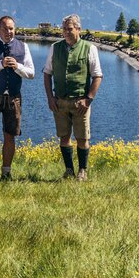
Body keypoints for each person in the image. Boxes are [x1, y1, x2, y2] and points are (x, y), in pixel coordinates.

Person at [43, 14, 102, 181]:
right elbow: (47, 73)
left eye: (70, 29)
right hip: (59, 101)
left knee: (82, 138)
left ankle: (82, 171)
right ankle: (69, 170)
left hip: (80, 102)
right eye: (64, 29)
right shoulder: (55, 48)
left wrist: (89, 99)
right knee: (64, 137)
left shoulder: (89, 48)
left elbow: (97, 76)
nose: (66, 32)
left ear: (78, 29)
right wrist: (50, 98)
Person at [0, 16, 35, 180]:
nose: (8, 32)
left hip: (13, 99)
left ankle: (6, 173)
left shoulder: (23, 46)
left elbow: (31, 73)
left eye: (11, 28)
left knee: (10, 136)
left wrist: (17, 67)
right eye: (5, 29)